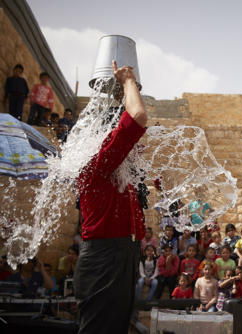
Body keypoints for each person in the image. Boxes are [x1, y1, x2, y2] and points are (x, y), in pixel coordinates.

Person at [74, 61, 147, 334]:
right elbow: (138, 117)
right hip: (105, 260)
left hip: (122, 256)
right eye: (126, 141)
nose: (136, 146)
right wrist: (128, 80)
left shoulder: (120, 173)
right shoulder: (98, 163)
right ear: (107, 138)